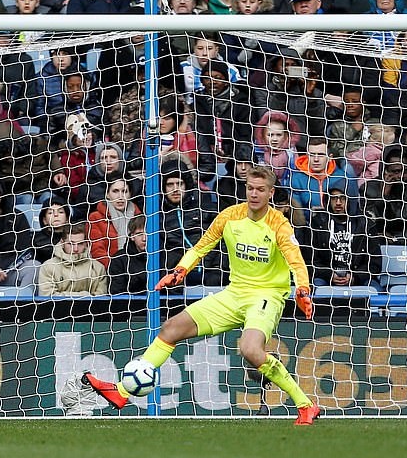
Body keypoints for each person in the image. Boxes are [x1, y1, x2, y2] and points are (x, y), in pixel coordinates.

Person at [82, 165, 321, 425]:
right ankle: (122, 392)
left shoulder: (279, 225)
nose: (254, 194)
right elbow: (200, 247)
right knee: (170, 328)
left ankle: (305, 405)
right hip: (234, 293)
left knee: (250, 349)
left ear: (270, 192)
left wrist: (303, 290)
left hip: (267, 295)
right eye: (250, 188)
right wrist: (180, 271)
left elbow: (296, 261)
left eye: (260, 190)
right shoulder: (230, 216)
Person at [37, 221, 107, 296]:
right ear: (62, 243)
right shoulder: (48, 267)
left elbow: (101, 298)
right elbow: (47, 297)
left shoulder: (98, 268)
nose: (76, 249)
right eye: (71, 244)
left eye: (80, 243)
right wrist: (85, 295)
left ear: (86, 243)